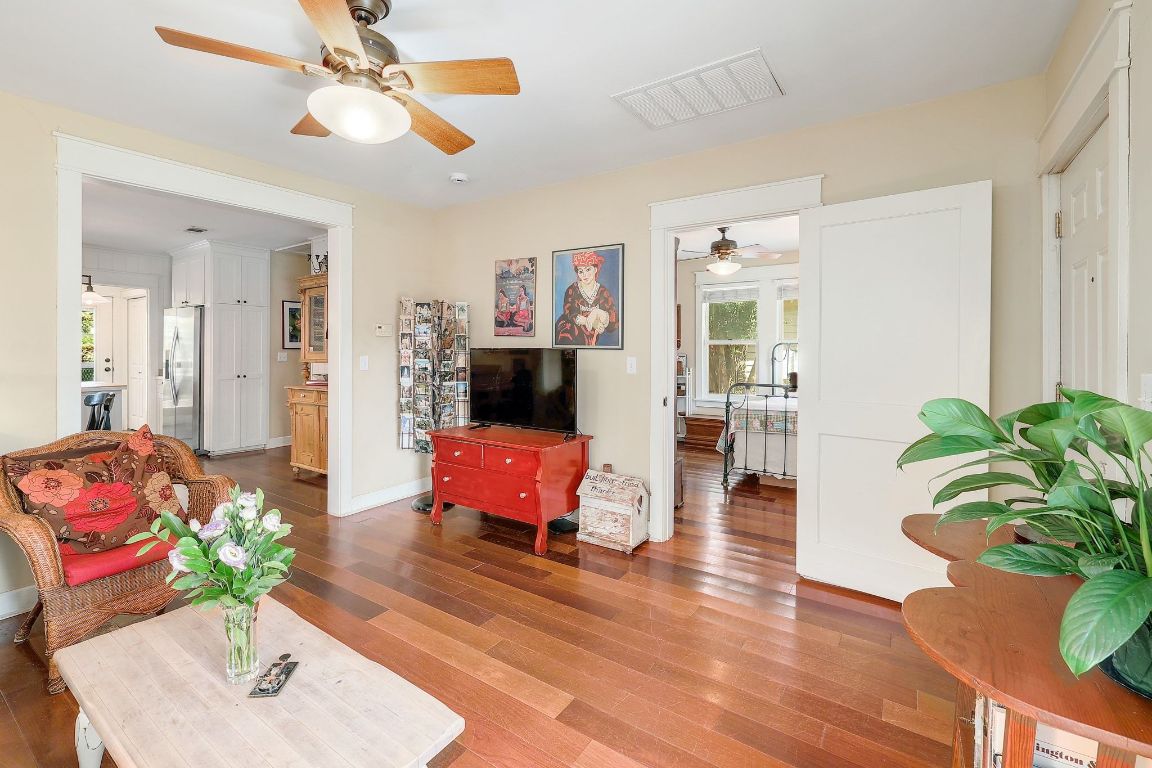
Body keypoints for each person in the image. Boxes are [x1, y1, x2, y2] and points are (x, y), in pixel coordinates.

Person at [554, 250, 618, 346]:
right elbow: (570, 313)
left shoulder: (603, 292)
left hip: (592, 337)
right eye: (581, 271)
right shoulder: (572, 290)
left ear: (595, 269)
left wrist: (600, 315)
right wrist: (590, 322)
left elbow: (613, 321)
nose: (585, 275)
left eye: (588, 269)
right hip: (570, 331)